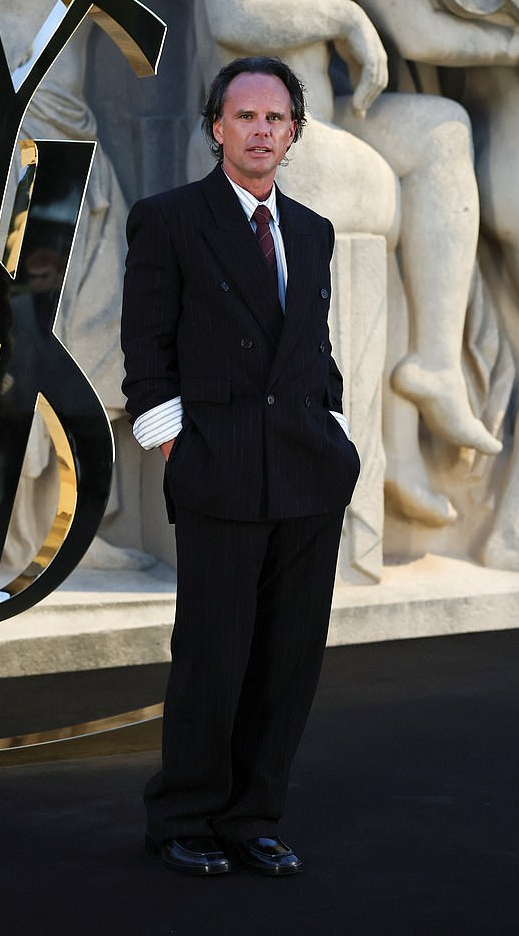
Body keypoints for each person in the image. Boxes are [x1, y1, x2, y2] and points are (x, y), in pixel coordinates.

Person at [121, 56, 360, 876]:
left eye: (275, 118)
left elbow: (315, 349)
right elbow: (146, 347)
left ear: (294, 133)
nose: (261, 130)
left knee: (289, 657)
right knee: (213, 655)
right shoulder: (169, 219)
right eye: (244, 115)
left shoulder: (315, 232)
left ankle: (254, 814)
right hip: (219, 467)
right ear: (215, 126)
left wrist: (331, 426)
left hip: (306, 471)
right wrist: (175, 444)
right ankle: (184, 815)